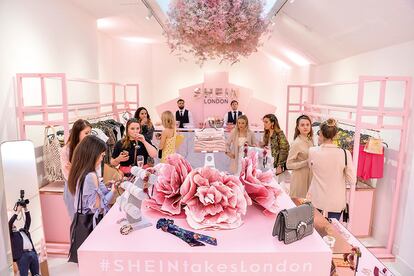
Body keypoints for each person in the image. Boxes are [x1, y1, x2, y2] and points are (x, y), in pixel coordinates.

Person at [68, 135, 116, 263]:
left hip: (83, 221)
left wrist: (104, 187)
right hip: (92, 224)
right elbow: (97, 206)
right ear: (92, 154)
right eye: (101, 155)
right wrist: (112, 192)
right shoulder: (90, 176)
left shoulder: (81, 171)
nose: (102, 159)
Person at [307, 118, 356, 220]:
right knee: (332, 231)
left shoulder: (312, 151)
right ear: (335, 135)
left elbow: (311, 169)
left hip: (317, 198)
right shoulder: (345, 153)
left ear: (321, 133)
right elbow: (352, 180)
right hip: (336, 201)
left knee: (314, 230)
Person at [60, 119, 92, 219]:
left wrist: (74, 169)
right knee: (77, 220)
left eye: (90, 133)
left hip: (87, 186)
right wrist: (79, 171)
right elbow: (68, 174)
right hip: (73, 188)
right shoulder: (66, 150)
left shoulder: (87, 147)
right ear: (77, 133)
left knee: (89, 218)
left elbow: (92, 168)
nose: (89, 135)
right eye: (86, 133)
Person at [287, 115, 314, 198]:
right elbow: (289, 165)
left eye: (307, 124)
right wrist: (305, 162)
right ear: (298, 127)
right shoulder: (296, 143)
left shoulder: (310, 140)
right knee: (298, 206)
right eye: (302, 125)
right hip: (299, 179)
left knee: (308, 206)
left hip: (309, 177)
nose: (305, 127)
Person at [9, 205, 39, 276]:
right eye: (12, 225)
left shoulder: (23, 231)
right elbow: (10, 223)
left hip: (32, 253)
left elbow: (28, 220)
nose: (13, 225)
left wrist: (25, 208)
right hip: (22, 256)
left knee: (36, 274)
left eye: (14, 224)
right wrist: (17, 211)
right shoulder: (11, 235)